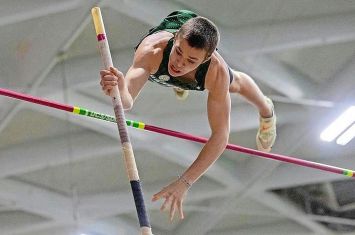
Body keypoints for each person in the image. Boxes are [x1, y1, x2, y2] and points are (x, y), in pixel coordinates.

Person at [99, 10, 276, 222]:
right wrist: (117, 91)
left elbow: (220, 137)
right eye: (178, 52)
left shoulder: (215, 71)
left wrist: (184, 182)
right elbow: (127, 101)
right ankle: (181, 84)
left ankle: (267, 110)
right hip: (161, 62)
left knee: (234, 83)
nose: (180, 63)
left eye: (191, 60)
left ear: (206, 59)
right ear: (174, 39)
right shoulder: (152, 51)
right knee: (172, 72)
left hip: (200, 76)